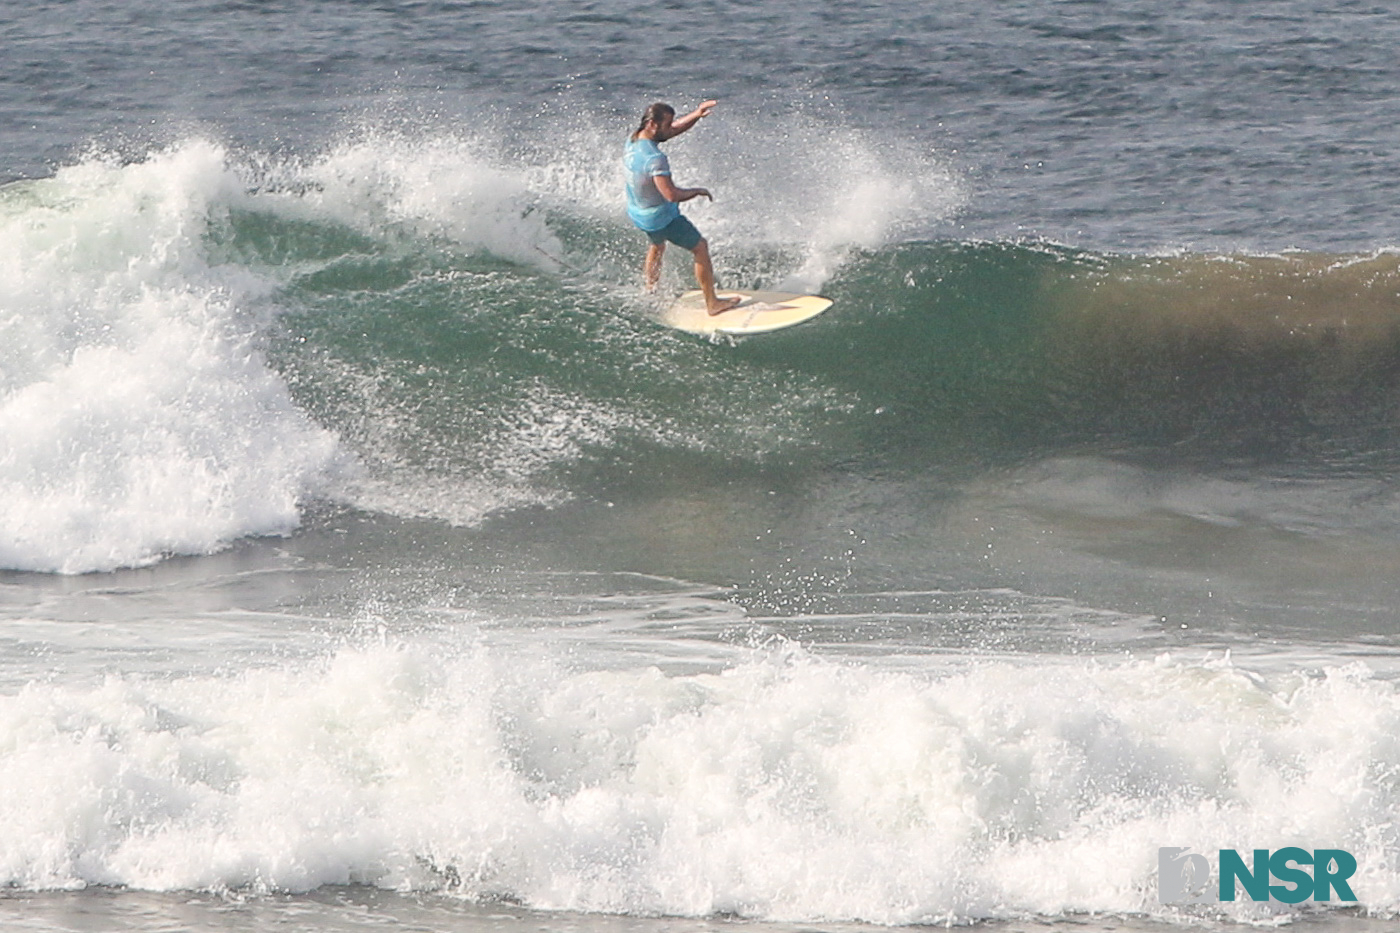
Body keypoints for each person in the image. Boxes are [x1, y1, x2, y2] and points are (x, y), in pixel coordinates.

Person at [624, 99, 741, 315]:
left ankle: (650, 289)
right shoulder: (655, 158)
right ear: (652, 125)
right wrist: (697, 191)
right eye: (666, 124)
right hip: (661, 217)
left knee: (657, 245)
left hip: (639, 214)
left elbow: (672, 131)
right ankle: (712, 304)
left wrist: (696, 114)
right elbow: (670, 194)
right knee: (700, 247)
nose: (671, 128)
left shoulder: (633, 142)